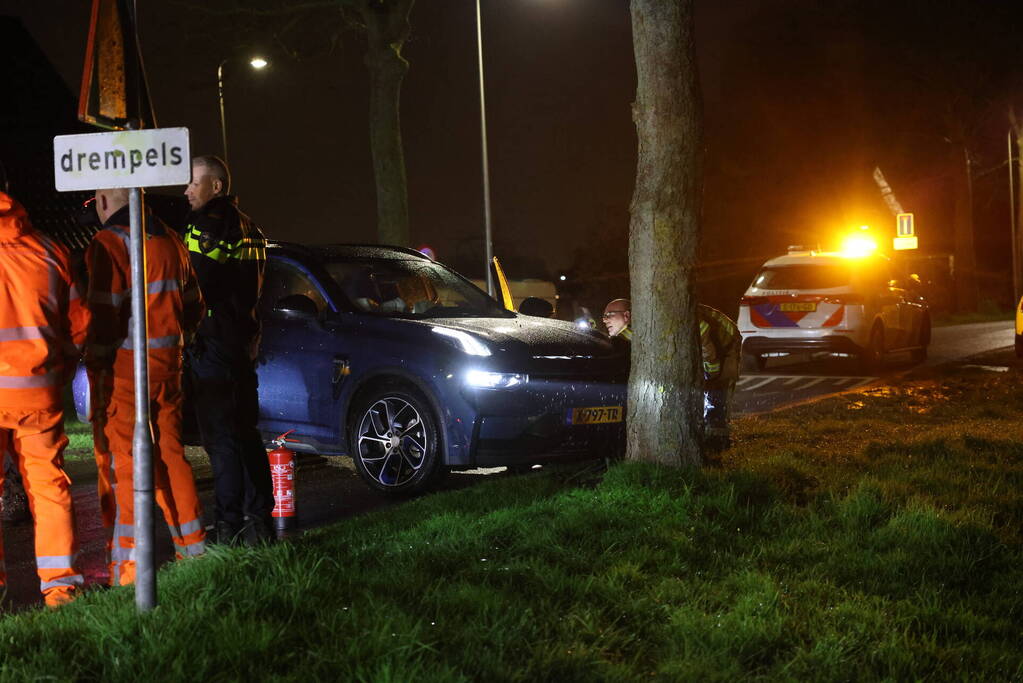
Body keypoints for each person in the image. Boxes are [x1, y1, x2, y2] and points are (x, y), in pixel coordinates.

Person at [85, 188, 207, 586]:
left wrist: (96, 367)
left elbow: (104, 318)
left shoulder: (110, 242)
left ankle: (130, 573)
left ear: (105, 200)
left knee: (126, 469)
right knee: (171, 456)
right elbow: (194, 306)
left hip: (125, 375)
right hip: (168, 369)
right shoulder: (171, 239)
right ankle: (194, 551)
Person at [0, 189, 87, 607]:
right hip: (37, 392)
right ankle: (60, 590)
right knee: (49, 486)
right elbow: (80, 328)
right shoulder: (52, 250)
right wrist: (59, 371)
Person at [183, 155, 272, 545]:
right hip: (241, 342)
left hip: (214, 343)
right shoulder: (251, 226)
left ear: (215, 186)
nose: (186, 190)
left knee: (221, 439)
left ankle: (228, 525)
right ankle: (260, 522)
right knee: (246, 433)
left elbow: (197, 288)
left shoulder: (209, 226)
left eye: (193, 182)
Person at [601, 298, 741, 450]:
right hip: (694, 345)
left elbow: (701, 329)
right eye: (603, 316)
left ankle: (718, 443)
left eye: (609, 315)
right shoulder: (624, 333)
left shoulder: (658, 317)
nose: (604, 320)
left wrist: (711, 369)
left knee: (716, 391)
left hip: (724, 339)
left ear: (627, 315)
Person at [699, 304, 741, 452]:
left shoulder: (697, 324)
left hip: (727, 343)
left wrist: (711, 375)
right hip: (713, 341)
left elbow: (709, 354)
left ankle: (718, 442)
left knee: (716, 393)